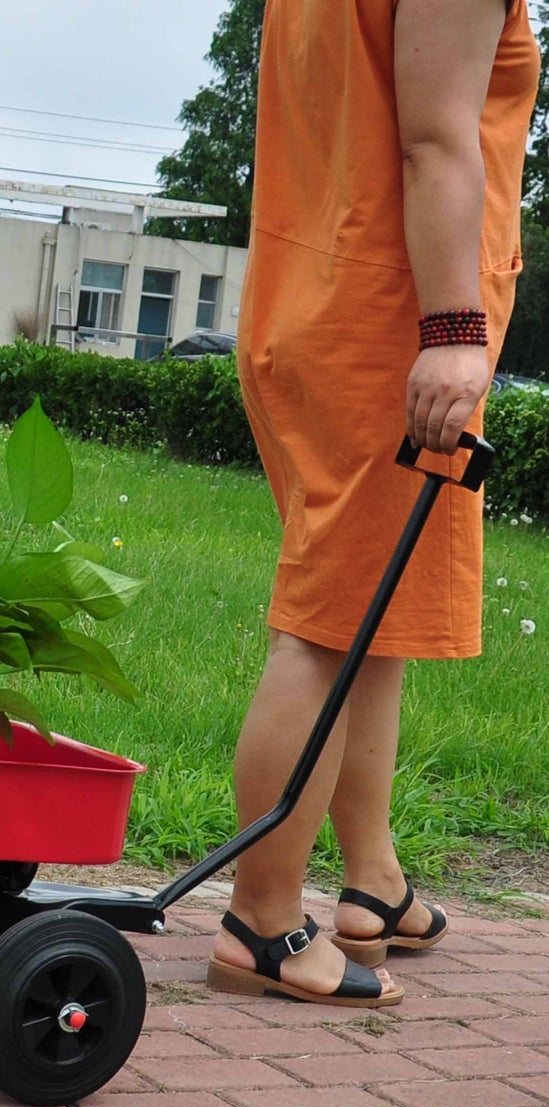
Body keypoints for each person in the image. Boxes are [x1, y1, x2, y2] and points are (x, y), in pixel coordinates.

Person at [209, 0, 540, 1008]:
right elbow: (434, 141)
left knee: (367, 619)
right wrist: (451, 326)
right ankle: (260, 916)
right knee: (324, 627)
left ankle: (372, 880)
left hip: (312, 291)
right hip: (387, 322)